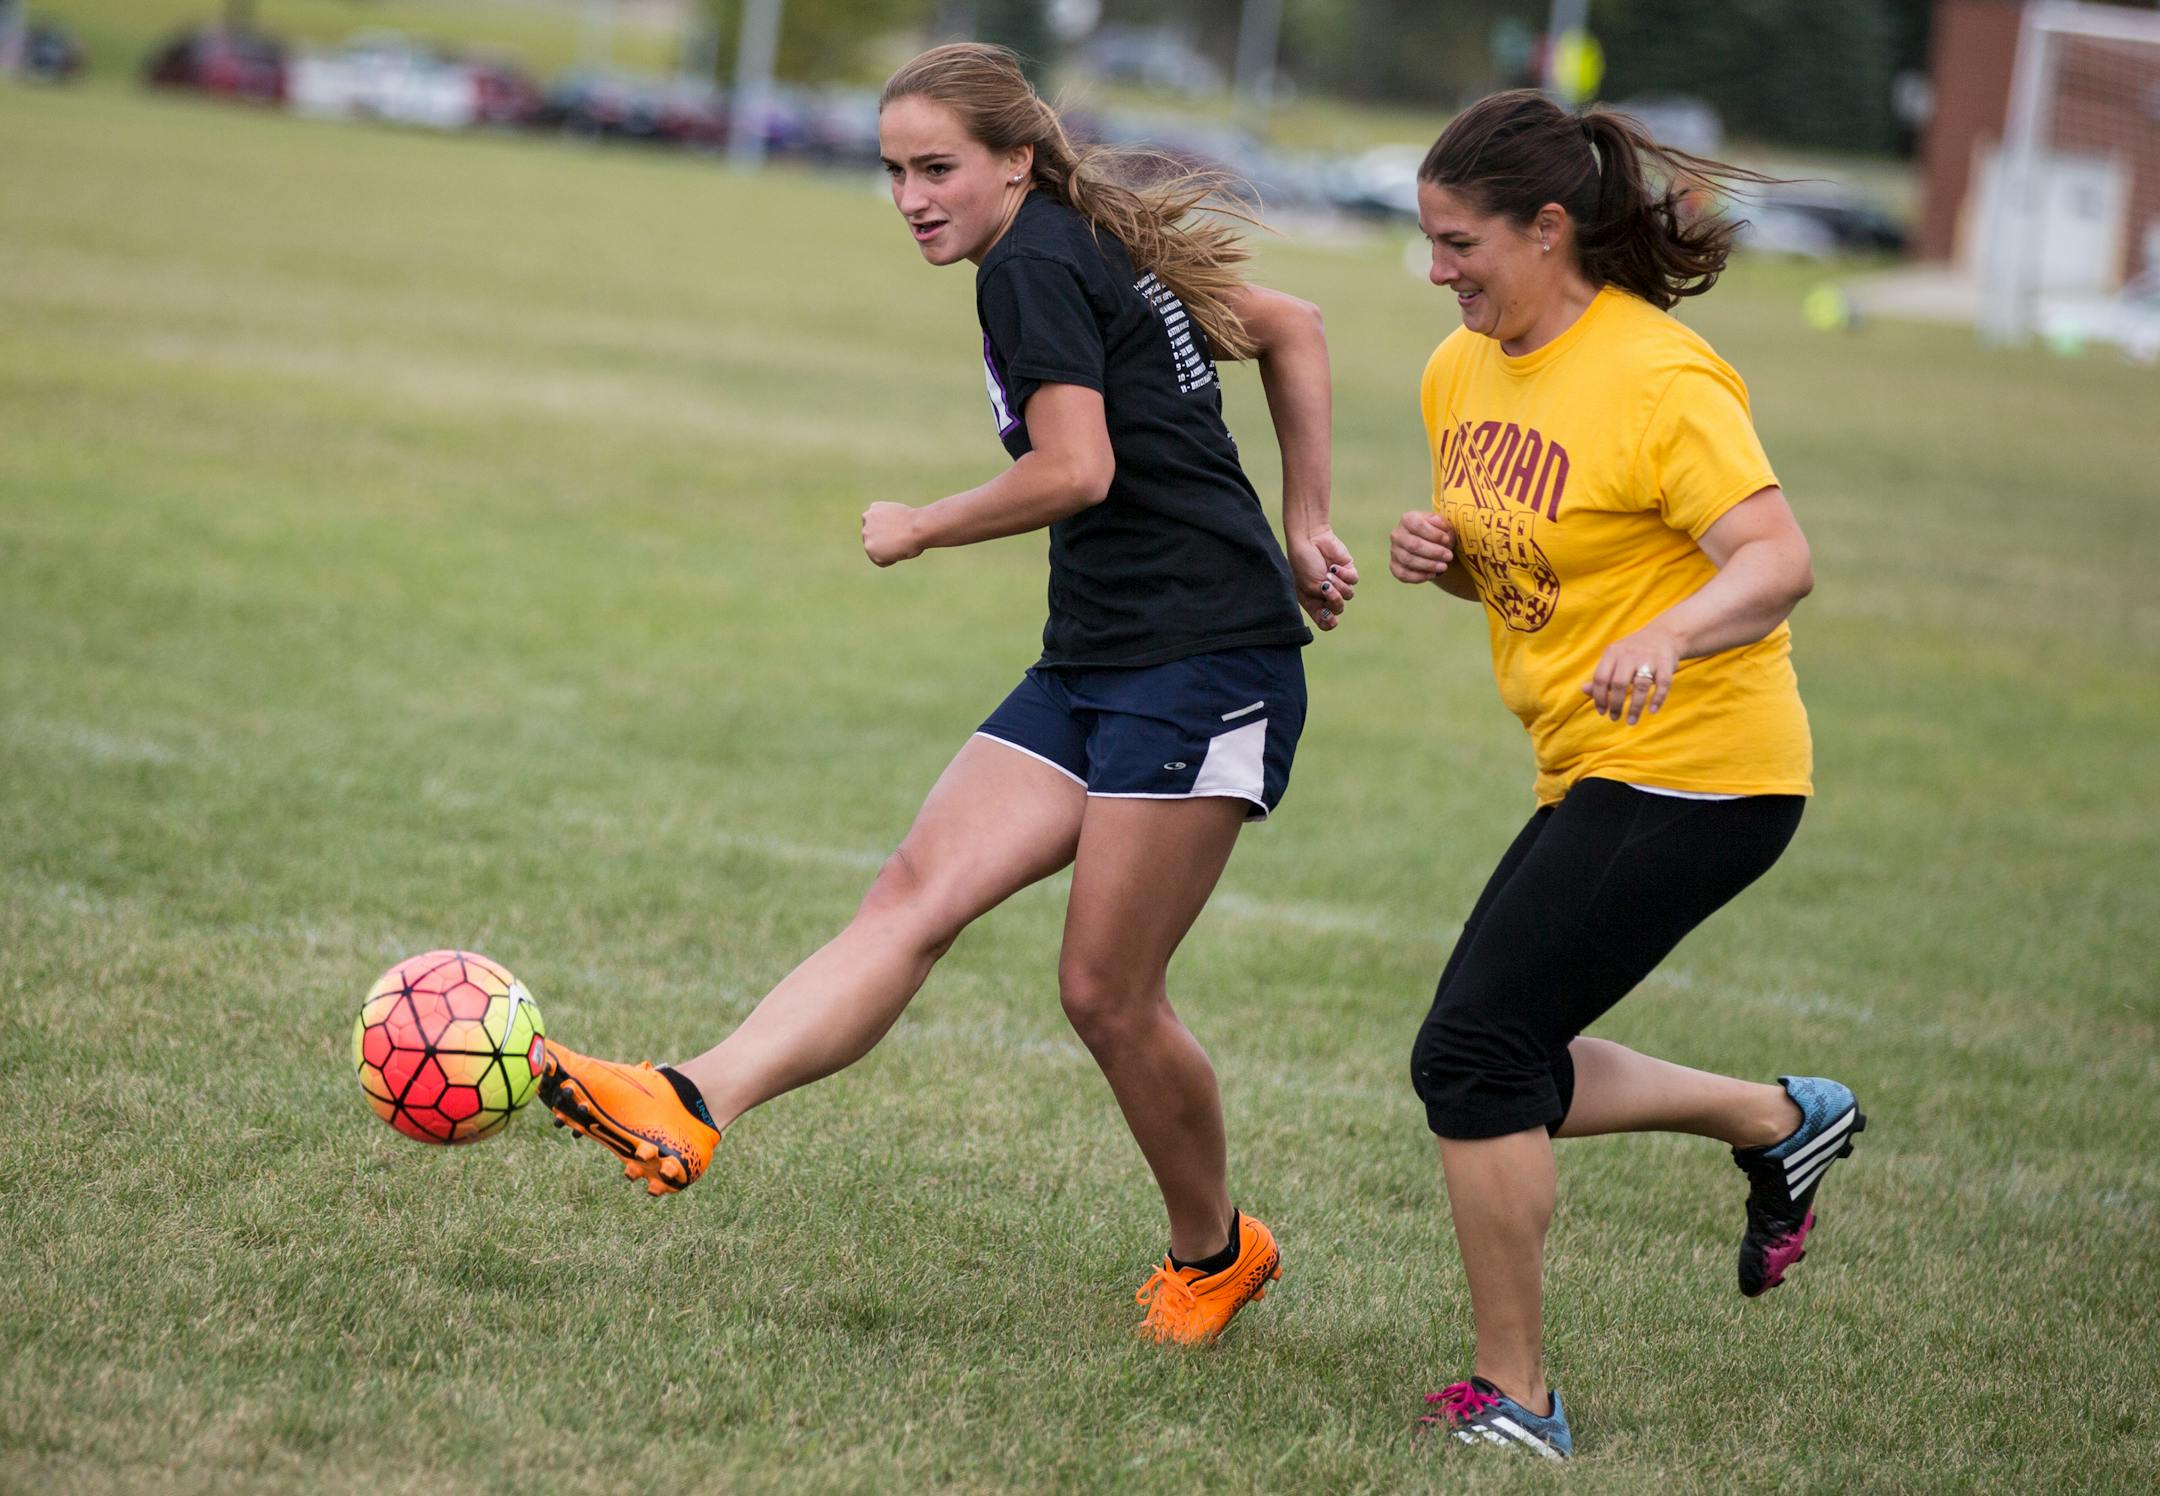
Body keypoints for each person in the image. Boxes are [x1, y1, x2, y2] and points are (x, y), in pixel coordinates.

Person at [537, 42, 1358, 1347]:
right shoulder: (1079, 234)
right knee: (912, 895)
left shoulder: (1034, 259)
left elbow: (1077, 468)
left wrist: (922, 524)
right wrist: (1306, 521)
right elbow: (1293, 330)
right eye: (894, 173)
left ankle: (1217, 1252)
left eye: (937, 168)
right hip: (1096, 655)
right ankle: (689, 1099)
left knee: (1105, 993)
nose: (914, 197)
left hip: (1203, 664)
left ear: (1013, 162)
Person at [1386, 91, 1864, 1458]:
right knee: (1498, 1050)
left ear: (1550, 230)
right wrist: (1454, 561)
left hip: (1706, 769)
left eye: (1460, 242)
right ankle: (1780, 1123)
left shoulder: (1662, 376)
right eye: (1430, 243)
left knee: (1473, 1053)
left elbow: (1777, 562)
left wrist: (1673, 629)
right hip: (1591, 762)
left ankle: (1519, 1402)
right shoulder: (1454, 371)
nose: (1440, 270)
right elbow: (1541, 562)